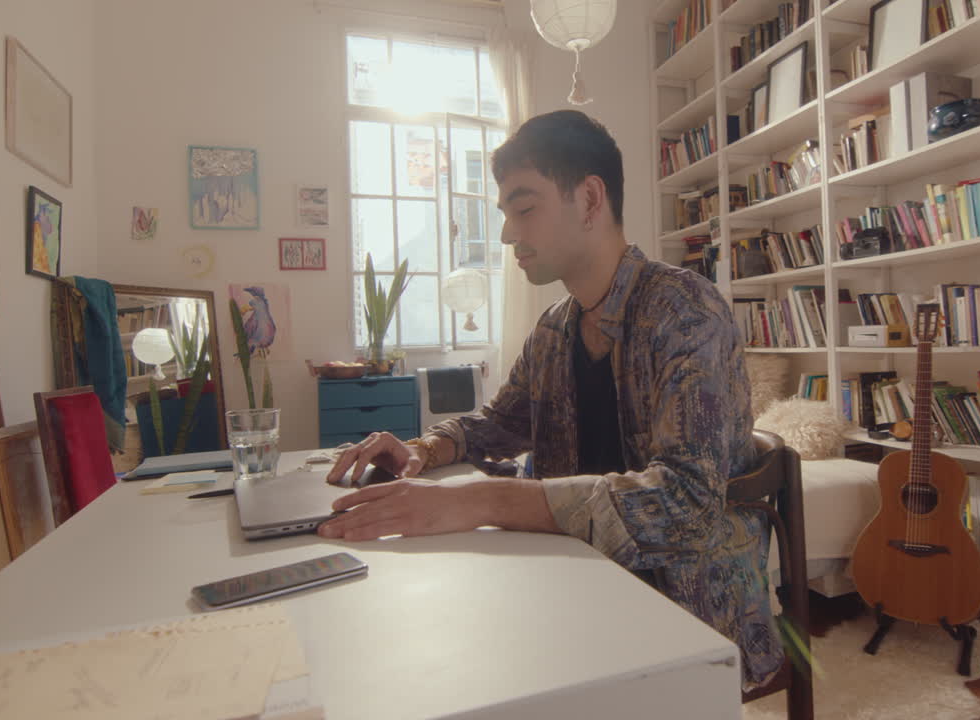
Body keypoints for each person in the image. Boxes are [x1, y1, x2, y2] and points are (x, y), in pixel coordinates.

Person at [320, 110, 785, 693]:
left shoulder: (684, 311)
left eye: (524, 207)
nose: (509, 233)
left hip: (686, 615)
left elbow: (686, 504)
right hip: (580, 584)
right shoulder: (554, 328)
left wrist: (481, 500)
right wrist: (423, 448)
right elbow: (499, 423)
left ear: (590, 199)